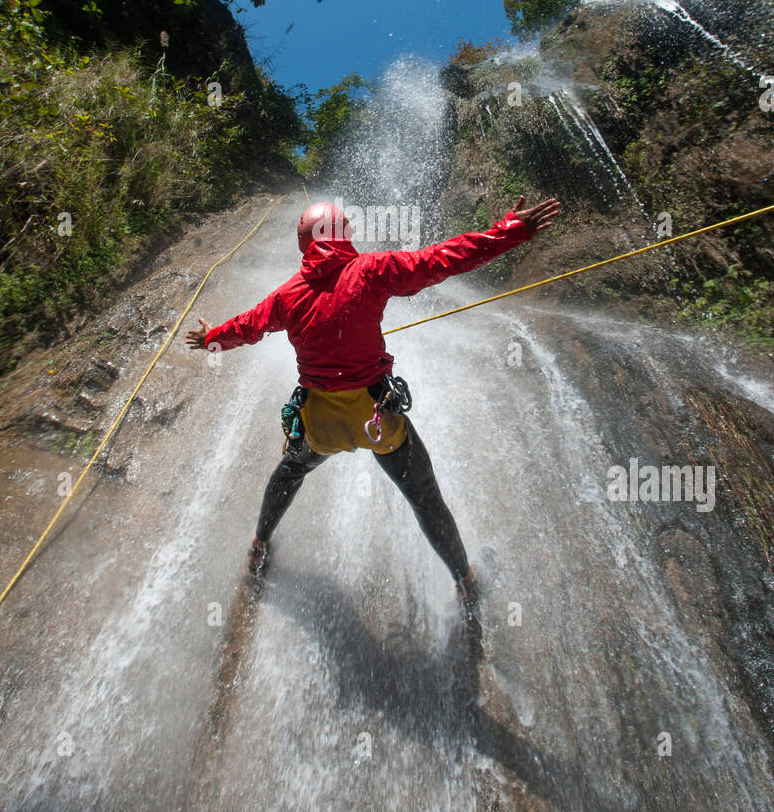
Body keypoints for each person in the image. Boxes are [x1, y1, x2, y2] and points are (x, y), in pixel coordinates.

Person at [187, 195, 560, 608]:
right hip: (377, 416)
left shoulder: (287, 296)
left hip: (321, 422)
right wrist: (510, 231)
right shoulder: (371, 270)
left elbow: (246, 328)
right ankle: (465, 582)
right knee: (425, 499)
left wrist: (210, 338)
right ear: (344, 235)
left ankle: (259, 546)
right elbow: (442, 259)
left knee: (290, 471)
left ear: (303, 243)